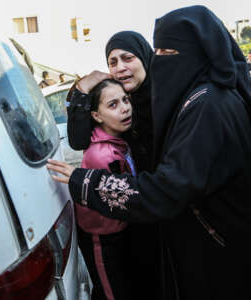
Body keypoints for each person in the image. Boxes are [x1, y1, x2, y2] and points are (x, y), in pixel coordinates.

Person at [47, 5, 251, 300]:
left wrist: (86, 182)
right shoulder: (199, 97)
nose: (160, 61)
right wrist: (82, 88)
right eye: (158, 52)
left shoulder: (206, 106)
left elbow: (168, 189)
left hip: (215, 246)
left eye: (167, 53)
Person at [67, 31, 159, 299]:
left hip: (163, 207)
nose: (120, 67)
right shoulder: (109, 130)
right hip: (133, 216)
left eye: (127, 58)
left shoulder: (164, 97)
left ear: (144, 57)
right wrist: (84, 87)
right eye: (112, 62)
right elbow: (77, 138)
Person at [76, 79, 134, 300]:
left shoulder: (117, 140)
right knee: (112, 291)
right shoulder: (102, 155)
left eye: (125, 100)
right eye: (113, 104)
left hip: (119, 229)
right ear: (96, 116)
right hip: (102, 237)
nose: (124, 107)